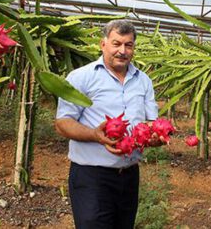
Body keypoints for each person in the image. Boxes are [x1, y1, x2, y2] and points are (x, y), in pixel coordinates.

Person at [55, 19, 163, 228]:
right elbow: (62, 123)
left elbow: (151, 123)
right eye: (116, 43)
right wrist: (95, 135)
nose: (122, 51)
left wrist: (157, 137)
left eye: (128, 45)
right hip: (91, 177)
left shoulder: (144, 81)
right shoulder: (81, 78)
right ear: (103, 44)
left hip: (129, 175)